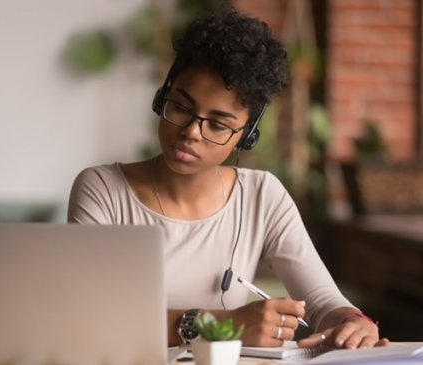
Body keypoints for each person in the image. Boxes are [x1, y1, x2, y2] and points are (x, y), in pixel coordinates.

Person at [68, 7, 389, 349]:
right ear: (162, 97)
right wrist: (223, 323)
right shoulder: (102, 190)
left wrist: (353, 324)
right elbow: (91, 316)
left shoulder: (262, 196)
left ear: (245, 136)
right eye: (180, 107)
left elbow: (323, 300)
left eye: (218, 125)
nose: (191, 132)